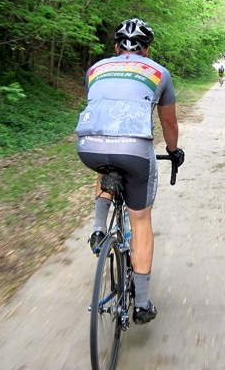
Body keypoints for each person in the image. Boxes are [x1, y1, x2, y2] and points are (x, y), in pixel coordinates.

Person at [75, 18, 185, 325]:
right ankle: (142, 304)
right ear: (147, 49)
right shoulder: (159, 72)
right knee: (140, 220)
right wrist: (174, 152)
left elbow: (99, 107)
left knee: (105, 162)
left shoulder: (95, 69)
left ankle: (99, 229)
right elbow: (170, 123)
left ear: (115, 47)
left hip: (88, 145)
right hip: (135, 151)